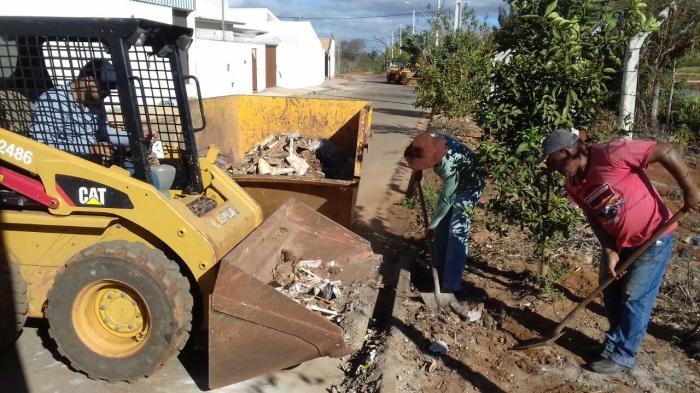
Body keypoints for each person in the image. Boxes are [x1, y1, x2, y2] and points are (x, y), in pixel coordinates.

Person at [541, 128, 700, 374]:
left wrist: (691, 190)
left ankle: (624, 356)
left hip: (652, 236)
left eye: (553, 162)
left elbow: (665, 150)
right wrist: (609, 250)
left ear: (566, 152)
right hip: (618, 244)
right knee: (610, 290)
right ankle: (614, 344)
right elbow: (592, 215)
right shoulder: (573, 184)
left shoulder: (612, 153)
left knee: (635, 298)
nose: (553, 168)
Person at [405, 132, 485, 314]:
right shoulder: (427, 141)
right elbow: (420, 154)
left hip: (470, 187)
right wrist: (417, 171)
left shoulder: (450, 166)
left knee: (456, 232)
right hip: (455, 184)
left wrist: (431, 225)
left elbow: (447, 200)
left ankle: (450, 286)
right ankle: (439, 270)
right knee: (441, 231)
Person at [29, 59, 155, 161]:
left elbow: (105, 132)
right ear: (89, 80)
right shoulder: (54, 100)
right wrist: (89, 149)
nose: (107, 93)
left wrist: (137, 137)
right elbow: (41, 143)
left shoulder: (93, 104)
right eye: (104, 87)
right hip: (66, 166)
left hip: (93, 164)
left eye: (110, 89)